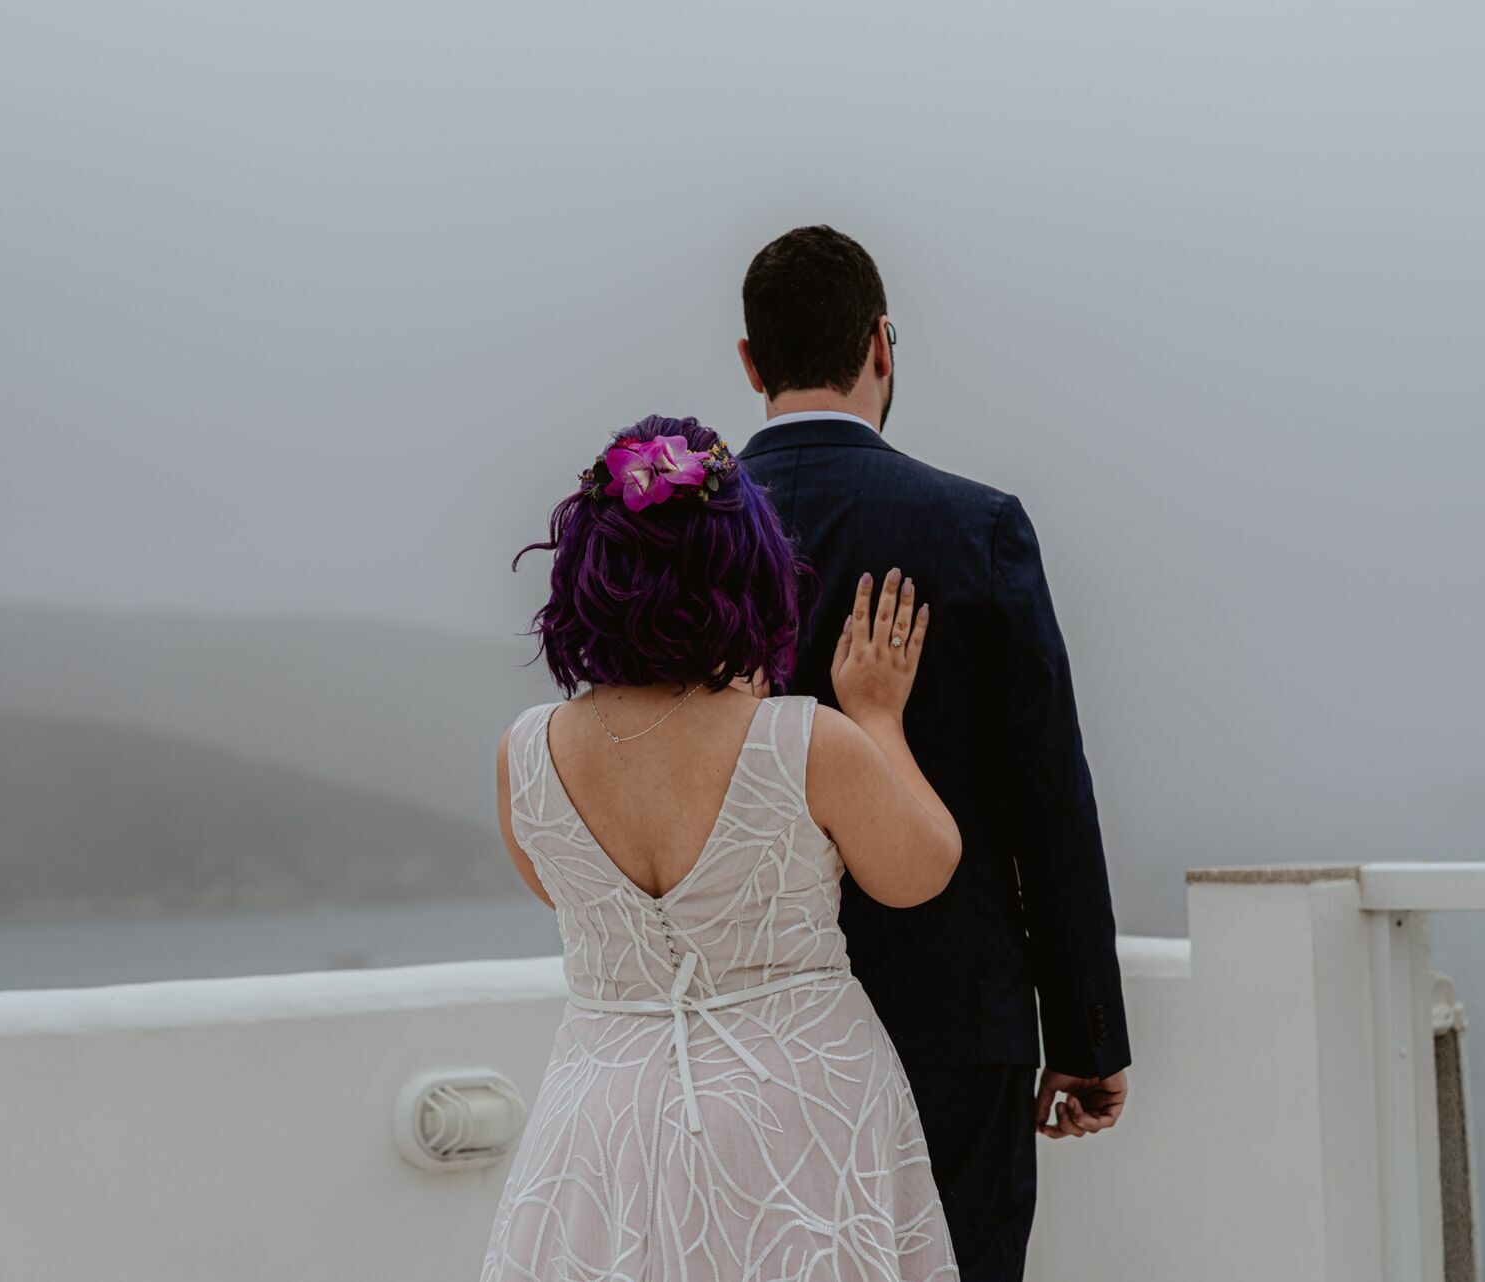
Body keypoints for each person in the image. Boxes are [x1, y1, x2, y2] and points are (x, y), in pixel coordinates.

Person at [736, 225, 1132, 1282]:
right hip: (954, 1019)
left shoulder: (681, 545)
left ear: (749, 361)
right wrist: (1085, 1035)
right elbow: (1049, 794)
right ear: (881, 346)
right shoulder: (974, 526)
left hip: (746, 1024)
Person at [482, 413, 961, 1281]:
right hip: (797, 1111)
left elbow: (563, 890)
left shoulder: (527, 751)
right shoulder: (804, 740)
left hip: (601, 1118)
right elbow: (920, 872)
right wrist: (880, 719)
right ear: (749, 570)